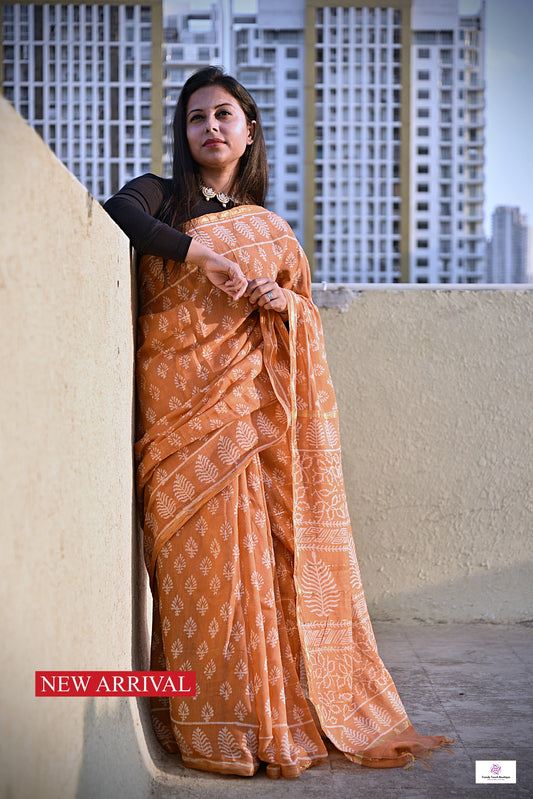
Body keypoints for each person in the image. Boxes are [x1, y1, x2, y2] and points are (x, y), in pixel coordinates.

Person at [104, 66, 452, 780]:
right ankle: (208, 725)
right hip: (179, 421)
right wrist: (199, 251)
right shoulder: (161, 197)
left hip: (249, 430)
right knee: (190, 573)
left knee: (255, 574)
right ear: (185, 132)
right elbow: (116, 214)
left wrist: (278, 302)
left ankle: (270, 718)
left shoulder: (271, 230)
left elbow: (301, 330)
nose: (209, 127)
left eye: (223, 114)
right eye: (196, 117)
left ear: (248, 129)